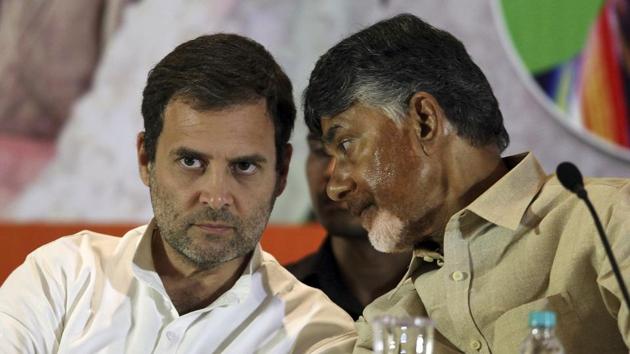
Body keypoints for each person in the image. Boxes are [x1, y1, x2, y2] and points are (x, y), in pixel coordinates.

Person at [0, 33, 354, 353]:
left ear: (281, 173)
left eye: (244, 166)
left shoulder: (315, 335)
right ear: (145, 158)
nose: (216, 197)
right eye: (190, 161)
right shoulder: (60, 278)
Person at [303, 13, 630, 353]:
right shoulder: (388, 325)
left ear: (425, 121)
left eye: (345, 145)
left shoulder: (608, 220)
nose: (335, 186)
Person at [286, 132, 411, 320]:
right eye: (320, 151)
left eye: (353, 149)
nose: (331, 172)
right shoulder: (277, 299)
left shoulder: (459, 296)